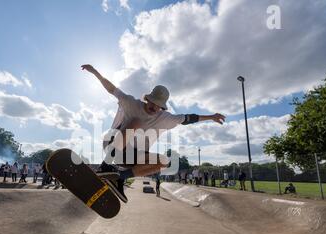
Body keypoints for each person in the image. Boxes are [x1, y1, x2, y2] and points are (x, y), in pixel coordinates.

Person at [82, 64, 225, 203]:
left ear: (162, 107)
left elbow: (188, 118)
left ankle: (120, 177)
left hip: (131, 157)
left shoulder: (165, 118)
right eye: (152, 103)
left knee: (164, 161)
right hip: (113, 144)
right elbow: (111, 88)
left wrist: (211, 117)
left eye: (159, 106)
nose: (154, 107)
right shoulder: (131, 103)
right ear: (147, 98)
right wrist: (95, 72)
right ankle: (105, 166)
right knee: (137, 122)